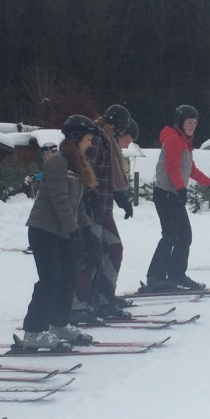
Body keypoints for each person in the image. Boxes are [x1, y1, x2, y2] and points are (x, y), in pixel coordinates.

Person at [19, 115, 99, 349]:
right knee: (50, 279)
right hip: (44, 230)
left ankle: (59, 322)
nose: (90, 144)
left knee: (69, 277)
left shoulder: (76, 164)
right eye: (88, 139)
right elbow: (60, 201)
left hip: (63, 231)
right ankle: (33, 330)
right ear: (76, 137)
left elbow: (77, 204)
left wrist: (85, 230)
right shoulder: (58, 163)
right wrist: (74, 232)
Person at [143, 104, 210, 291]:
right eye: (189, 122)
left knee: (183, 236)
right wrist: (181, 189)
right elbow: (172, 168)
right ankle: (155, 278)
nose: (193, 126)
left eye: (195, 123)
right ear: (180, 122)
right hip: (166, 194)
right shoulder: (174, 139)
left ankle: (176, 275)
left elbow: (191, 170)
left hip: (173, 194)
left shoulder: (184, 142)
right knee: (170, 236)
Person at [76, 104, 136, 319]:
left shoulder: (106, 140)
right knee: (95, 254)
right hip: (92, 208)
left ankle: (102, 299)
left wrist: (120, 197)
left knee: (109, 250)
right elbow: (87, 172)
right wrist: (91, 199)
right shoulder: (98, 139)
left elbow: (105, 175)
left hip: (102, 207)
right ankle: (80, 303)